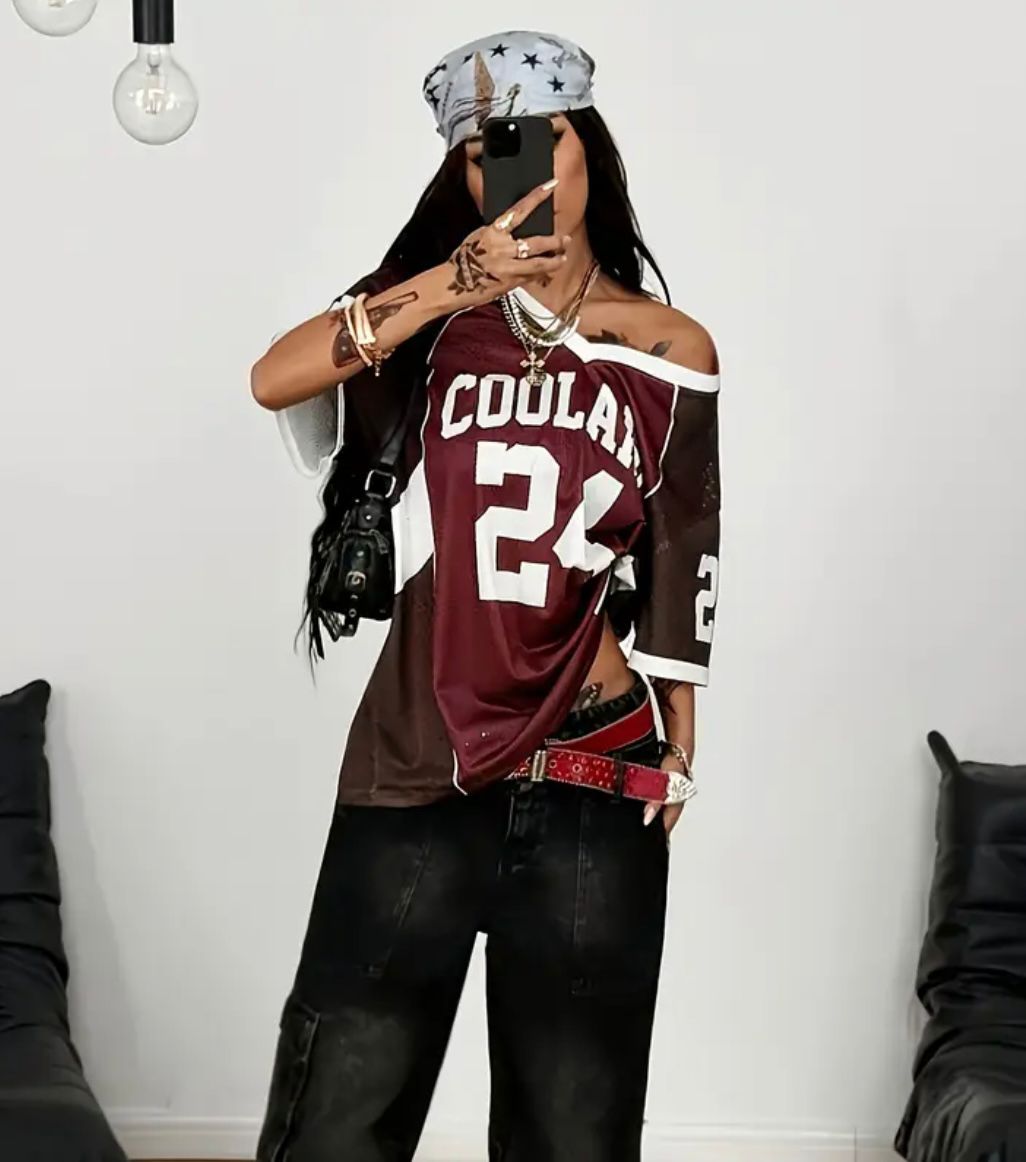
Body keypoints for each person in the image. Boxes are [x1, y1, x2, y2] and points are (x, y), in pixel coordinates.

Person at [250, 29, 721, 1162]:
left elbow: (685, 544)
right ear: (461, 175)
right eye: (485, 151)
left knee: (574, 1131)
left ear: (590, 146)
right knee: (333, 1121)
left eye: (540, 138)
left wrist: (681, 727)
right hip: (421, 757)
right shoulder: (429, 323)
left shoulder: (668, 347)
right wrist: (452, 282)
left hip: (592, 768)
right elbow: (274, 376)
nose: (517, 169)